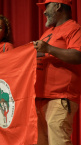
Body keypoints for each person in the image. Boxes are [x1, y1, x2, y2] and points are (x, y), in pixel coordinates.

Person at [33, 0, 81, 145]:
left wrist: (49, 49)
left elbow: (78, 55)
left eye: (47, 7)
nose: (44, 12)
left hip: (59, 98)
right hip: (40, 99)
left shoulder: (74, 28)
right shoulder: (48, 33)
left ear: (58, 6)